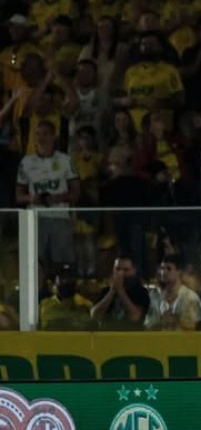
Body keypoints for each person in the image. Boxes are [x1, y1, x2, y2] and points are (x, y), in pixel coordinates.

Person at [16, 120, 81, 266]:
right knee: (35, 263)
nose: (41, 138)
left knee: (62, 263)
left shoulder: (65, 160)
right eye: (38, 134)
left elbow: (76, 193)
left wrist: (57, 197)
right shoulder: (26, 162)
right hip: (35, 218)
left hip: (60, 217)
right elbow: (19, 196)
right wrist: (32, 198)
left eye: (45, 134)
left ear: (54, 136)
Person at [90, 254, 152, 330]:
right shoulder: (106, 291)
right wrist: (112, 291)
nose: (121, 273)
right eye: (117, 269)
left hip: (131, 338)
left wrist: (120, 290)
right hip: (107, 337)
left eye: (126, 270)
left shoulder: (141, 292)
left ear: (134, 271)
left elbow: (135, 317)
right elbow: (95, 315)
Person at [148, 256, 201, 331]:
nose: (163, 272)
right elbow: (148, 327)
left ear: (179, 272)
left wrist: (178, 320)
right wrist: (161, 321)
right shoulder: (155, 298)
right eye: (162, 268)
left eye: (169, 269)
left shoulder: (190, 298)